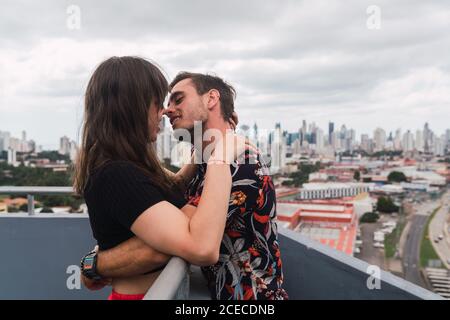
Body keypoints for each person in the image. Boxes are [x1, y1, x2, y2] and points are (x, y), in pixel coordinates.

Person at [82, 71, 288, 300]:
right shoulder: (202, 163)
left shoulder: (240, 165)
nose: (167, 109)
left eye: (178, 99)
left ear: (211, 99)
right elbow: (167, 198)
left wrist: (95, 264)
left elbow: (173, 241)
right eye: (164, 102)